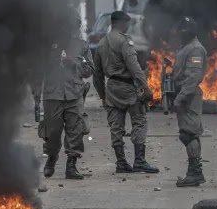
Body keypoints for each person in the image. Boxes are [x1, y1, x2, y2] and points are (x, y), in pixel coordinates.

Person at [92, 11, 159, 174]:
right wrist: (146, 88)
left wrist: (103, 96)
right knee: (140, 121)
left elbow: (97, 75)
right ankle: (139, 161)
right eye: (127, 23)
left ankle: (121, 162)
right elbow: (135, 68)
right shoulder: (124, 41)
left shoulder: (101, 43)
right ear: (121, 23)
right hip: (128, 89)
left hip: (112, 89)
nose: (128, 26)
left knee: (115, 127)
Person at [34, 16, 94, 180]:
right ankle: (51, 159)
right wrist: (36, 99)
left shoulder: (82, 46)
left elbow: (89, 70)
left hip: (74, 95)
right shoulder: (48, 46)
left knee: (75, 131)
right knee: (52, 132)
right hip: (52, 95)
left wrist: (74, 64)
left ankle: (71, 164)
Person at [170, 17, 208, 187]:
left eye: (182, 30)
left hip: (189, 95)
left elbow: (193, 77)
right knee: (187, 132)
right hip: (185, 94)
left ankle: (195, 173)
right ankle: (195, 172)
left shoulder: (195, 49)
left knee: (189, 133)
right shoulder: (187, 47)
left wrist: (180, 97)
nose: (179, 33)